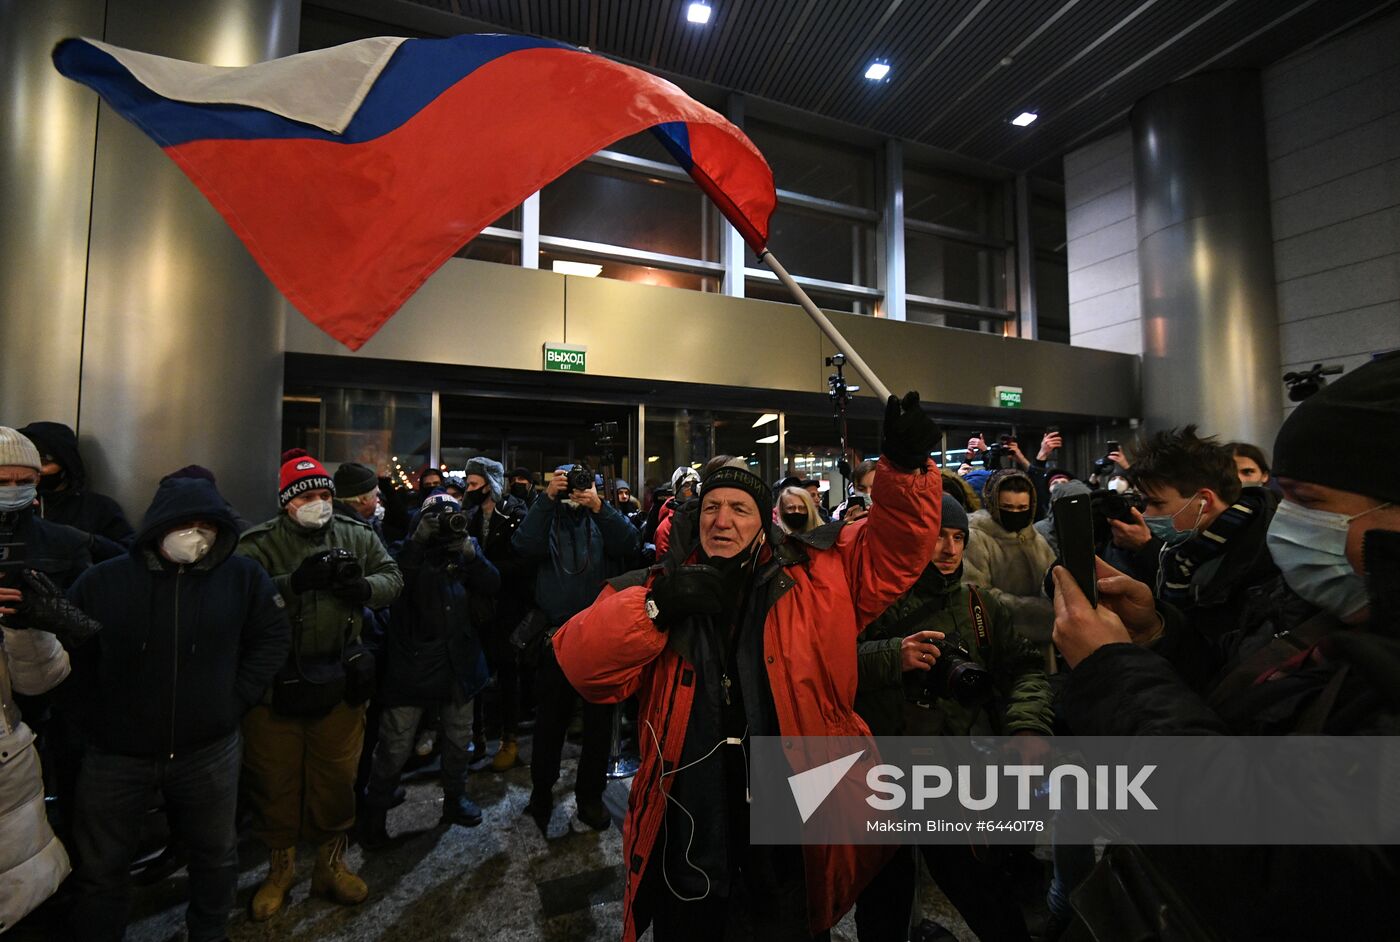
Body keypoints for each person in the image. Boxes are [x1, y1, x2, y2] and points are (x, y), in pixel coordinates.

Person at [552, 391, 941, 942]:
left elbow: (898, 549)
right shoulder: (658, 588)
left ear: (765, 524)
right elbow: (579, 661)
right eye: (712, 507)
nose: (722, 520)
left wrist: (902, 469)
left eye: (739, 509)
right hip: (691, 822)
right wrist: (659, 608)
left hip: (794, 820)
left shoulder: (819, 578)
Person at [1048, 351, 1400, 940]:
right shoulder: (1340, 610)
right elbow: (1248, 699)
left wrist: (1115, 674)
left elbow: (1282, 869)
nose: (1284, 520)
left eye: (1310, 504)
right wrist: (1160, 635)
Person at [65, 477, 290, 942]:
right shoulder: (104, 580)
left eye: (207, 525)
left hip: (208, 748)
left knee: (215, 854)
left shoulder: (242, 577)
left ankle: (208, 933)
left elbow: (271, 637)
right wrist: (92, 719)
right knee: (103, 865)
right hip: (116, 753)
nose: (196, 534)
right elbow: (70, 658)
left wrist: (235, 700)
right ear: (158, 526)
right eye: (184, 523)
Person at [854, 494, 1052, 942]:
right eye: (936, 536)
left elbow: (1024, 670)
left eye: (958, 537)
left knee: (982, 889)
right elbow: (827, 668)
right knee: (884, 895)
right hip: (883, 768)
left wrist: (1027, 726)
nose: (948, 549)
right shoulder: (872, 601)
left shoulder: (981, 607)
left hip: (952, 771)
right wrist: (893, 656)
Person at [236, 449, 403, 921]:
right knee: (275, 778)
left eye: (325, 494)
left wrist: (365, 590)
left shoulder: (355, 534)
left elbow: (393, 576)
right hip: (275, 683)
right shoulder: (259, 543)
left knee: (337, 777)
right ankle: (280, 869)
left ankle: (331, 864)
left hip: (339, 678)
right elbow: (241, 597)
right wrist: (294, 583)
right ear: (287, 501)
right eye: (308, 495)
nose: (319, 503)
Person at [0, 427, 99, 933]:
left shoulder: (64, 541)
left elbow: (89, 623)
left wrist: (51, 616)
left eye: (24, 480)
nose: (14, 489)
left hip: (55, 701)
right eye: (3, 480)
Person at [360, 492, 499, 845]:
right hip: (412, 666)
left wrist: (471, 554)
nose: (446, 524)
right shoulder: (404, 551)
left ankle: (454, 799)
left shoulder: (464, 550)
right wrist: (417, 542)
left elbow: (494, 584)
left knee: (458, 741)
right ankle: (374, 813)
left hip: (460, 664)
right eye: (437, 518)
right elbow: (392, 588)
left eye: (452, 517)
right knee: (394, 747)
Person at [512, 464, 640, 834]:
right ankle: (541, 793)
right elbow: (523, 546)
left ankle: (590, 797)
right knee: (550, 724)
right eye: (568, 483)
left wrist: (600, 506)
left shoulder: (600, 519)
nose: (576, 490)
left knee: (599, 727)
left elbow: (630, 544)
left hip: (599, 639)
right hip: (556, 638)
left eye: (583, 484)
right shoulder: (547, 518)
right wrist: (546, 499)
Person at [1106, 426, 1279, 638]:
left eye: (1156, 503)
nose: (1146, 513)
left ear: (1204, 501)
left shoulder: (1261, 557)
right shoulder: (1181, 550)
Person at [461, 457, 532, 773]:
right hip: (476, 606)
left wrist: (486, 571)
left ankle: (509, 738)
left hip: (506, 605)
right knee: (475, 673)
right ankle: (474, 736)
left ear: (490, 483)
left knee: (507, 675)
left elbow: (524, 562)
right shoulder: (468, 515)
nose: (469, 489)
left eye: (474, 484)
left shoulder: (516, 513)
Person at [963, 469, 1057, 648]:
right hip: (1001, 643)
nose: (1015, 513)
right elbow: (978, 594)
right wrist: (1040, 612)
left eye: (1022, 508)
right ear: (993, 505)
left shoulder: (1035, 538)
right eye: (1007, 507)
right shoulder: (977, 537)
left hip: (1041, 646)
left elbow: (1052, 578)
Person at [17, 422, 134, 561]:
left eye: (43, 462)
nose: (35, 470)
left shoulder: (97, 508)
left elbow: (130, 557)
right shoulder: (10, 502)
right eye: (26, 462)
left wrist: (87, 541)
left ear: (65, 464)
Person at [333, 462, 386, 544]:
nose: (378, 500)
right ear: (364, 499)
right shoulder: (345, 532)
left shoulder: (370, 523)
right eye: (376, 495)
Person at [653, 466, 700, 560]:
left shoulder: (702, 518)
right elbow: (664, 566)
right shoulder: (667, 526)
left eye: (694, 485)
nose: (691, 490)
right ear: (676, 489)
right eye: (686, 485)